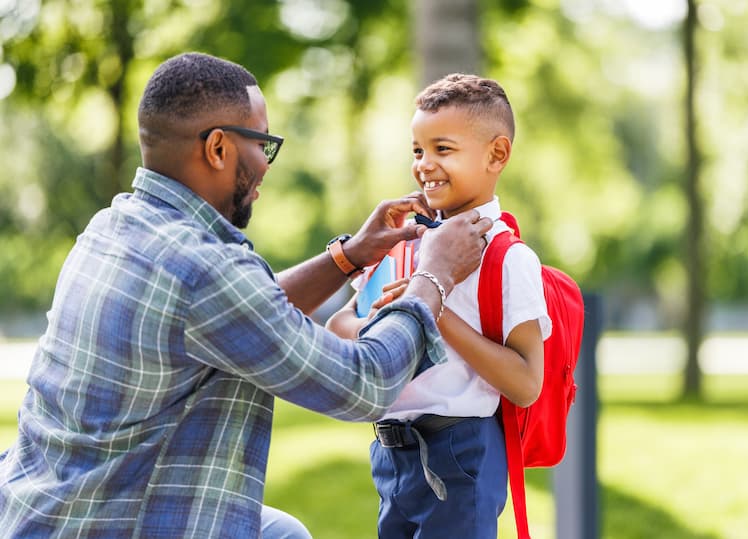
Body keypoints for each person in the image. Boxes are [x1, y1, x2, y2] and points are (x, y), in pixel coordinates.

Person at [0, 54, 493, 539]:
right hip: (120, 522)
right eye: (264, 145)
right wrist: (435, 275)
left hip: (45, 510)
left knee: (285, 533)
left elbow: (243, 314)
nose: (266, 165)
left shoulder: (113, 227)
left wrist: (349, 256)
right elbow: (363, 385)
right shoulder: (204, 270)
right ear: (218, 148)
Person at [326, 73, 552, 538]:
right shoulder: (402, 243)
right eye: (417, 150)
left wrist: (432, 306)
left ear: (497, 154)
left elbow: (527, 383)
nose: (424, 164)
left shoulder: (508, 259)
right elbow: (338, 324)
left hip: (462, 450)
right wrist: (388, 318)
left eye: (442, 149)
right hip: (392, 455)